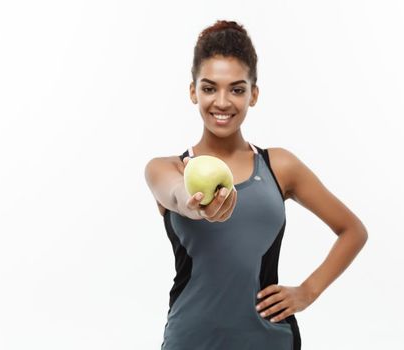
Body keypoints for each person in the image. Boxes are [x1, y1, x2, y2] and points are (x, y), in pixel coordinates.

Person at [143, 20, 368, 350]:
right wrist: (194, 204)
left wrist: (307, 292)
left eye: (236, 89)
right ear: (193, 91)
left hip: (270, 341)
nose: (222, 101)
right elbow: (176, 194)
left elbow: (352, 230)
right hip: (189, 341)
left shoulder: (280, 166)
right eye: (209, 88)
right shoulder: (167, 169)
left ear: (254, 94)